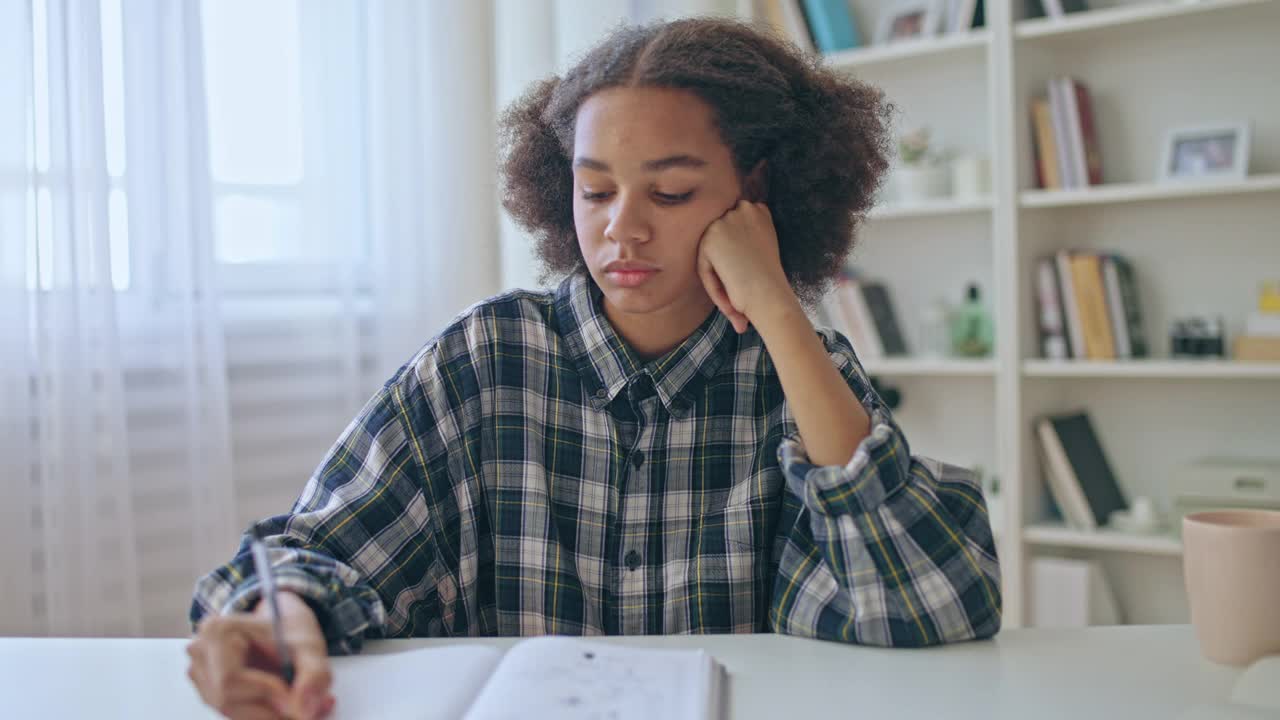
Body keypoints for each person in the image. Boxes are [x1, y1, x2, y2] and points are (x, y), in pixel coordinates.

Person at [186, 16, 1001, 720]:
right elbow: (315, 548)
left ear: (754, 193)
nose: (623, 230)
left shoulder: (793, 380)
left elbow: (930, 601)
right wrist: (274, 614)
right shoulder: (485, 361)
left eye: (672, 194)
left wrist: (778, 304)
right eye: (595, 191)